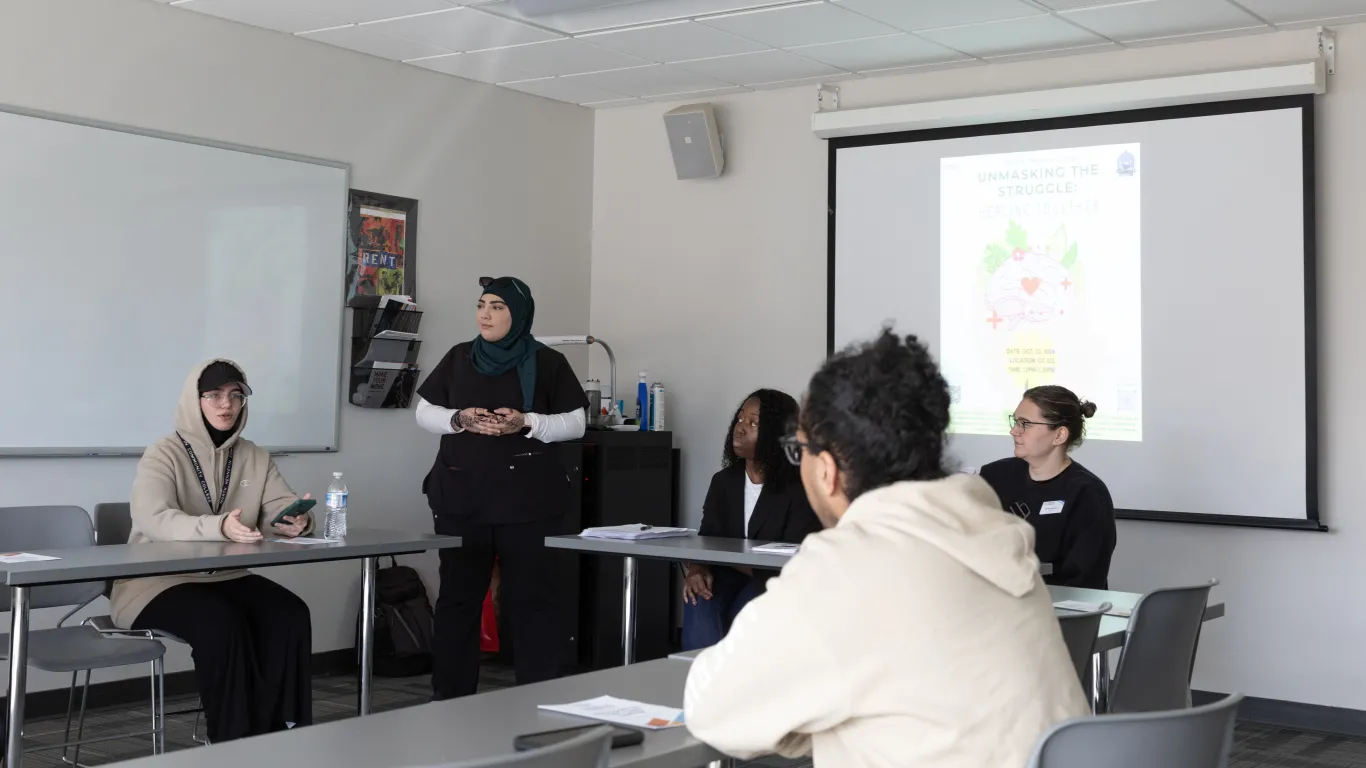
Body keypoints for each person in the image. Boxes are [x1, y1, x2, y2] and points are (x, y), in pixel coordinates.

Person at [683, 330, 1088, 768]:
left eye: (800, 451)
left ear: (829, 469)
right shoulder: (997, 539)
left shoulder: (847, 568)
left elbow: (713, 709)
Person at [109, 359, 314, 744]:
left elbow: (275, 507)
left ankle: (281, 734)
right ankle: (230, 742)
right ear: (194, 400)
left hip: (225, 575)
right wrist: (218, 526)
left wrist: (294, 521)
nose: (226, 405)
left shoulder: (255, 455)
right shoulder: (163, 453)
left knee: (289, 614)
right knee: (222, 622)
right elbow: (154, 519)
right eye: (214, 395)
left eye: (236, 396)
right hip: (154, 581)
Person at [415, 276, 588, 700]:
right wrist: (459, 419)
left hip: (528, 501)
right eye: (481, 305)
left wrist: (526, 421)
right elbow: (424, 412)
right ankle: (450, 699)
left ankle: (536, 698)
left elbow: (576, 423)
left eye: (497, 307)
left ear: (519, 314)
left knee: (533, 602)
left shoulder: (548, 362)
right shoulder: (459, 357)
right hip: (461, 497)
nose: (485, 314)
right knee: (458, 600)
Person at [682, 389, 821, 651]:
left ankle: (735, 687)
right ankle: (697, 683)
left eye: (754, 423)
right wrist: (697, 570)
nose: (741, 428)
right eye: (740, 419)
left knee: (747, 609)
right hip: (727, 576)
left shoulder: (799, 487)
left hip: (775, 582)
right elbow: (707, 538)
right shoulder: (723, 482)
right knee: (699, 597)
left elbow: (793, 558)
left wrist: (730, 561)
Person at [979, 385, 1117, 589]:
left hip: (1058, 611)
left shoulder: (1087, 493)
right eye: (1015, 421)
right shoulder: (995, 476)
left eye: (1025, 424)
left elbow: (1086, 581)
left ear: (1059, 435)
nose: (1013, 431)